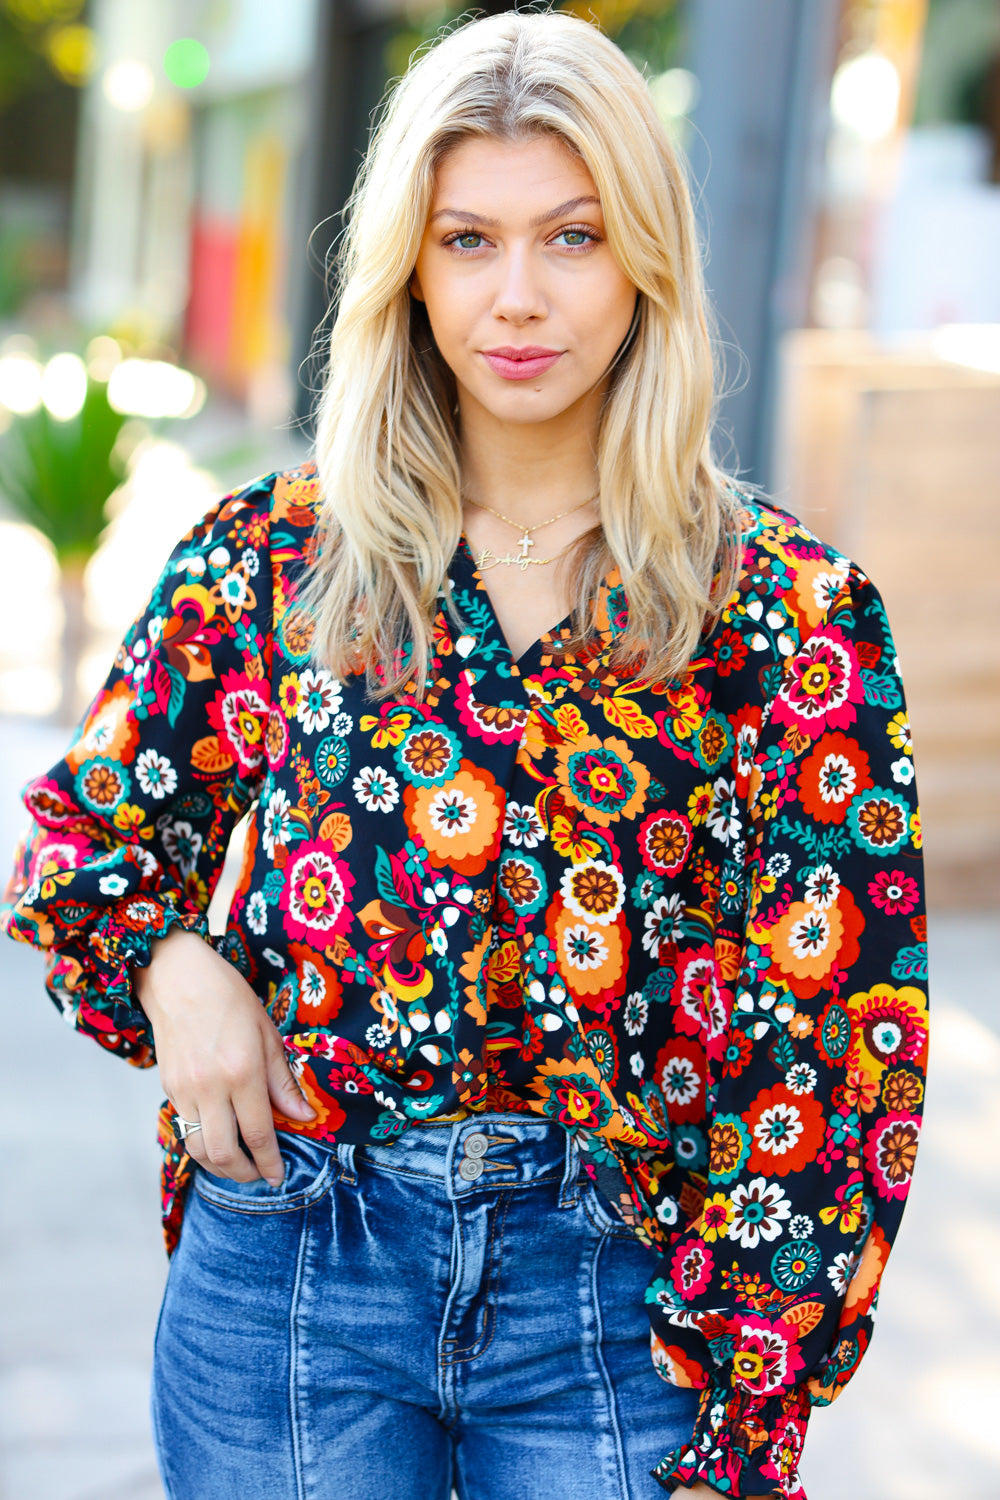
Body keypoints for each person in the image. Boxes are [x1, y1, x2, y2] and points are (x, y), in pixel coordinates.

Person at [1, 10, 928, 1500]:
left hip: (623, 1309)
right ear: (405, 269)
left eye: (570, 236)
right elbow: (80, 844)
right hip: (297, 1268)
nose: (516, 297)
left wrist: (751, 1377)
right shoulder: (278, 561)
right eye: (465, 241)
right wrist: (175, 969)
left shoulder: (790, 615)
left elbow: (842, 1050)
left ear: (644, 258)